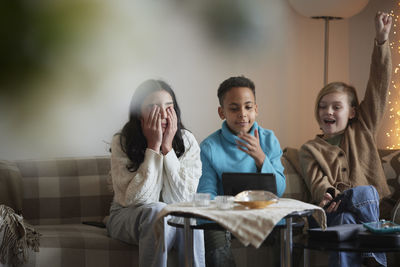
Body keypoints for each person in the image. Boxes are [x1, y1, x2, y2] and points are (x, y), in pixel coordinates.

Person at [299, 12, 393, 267]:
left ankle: (369, 255)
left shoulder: (362, 128)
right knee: (351, 206)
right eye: (322, 106)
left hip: (365, 210)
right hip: (333, 210)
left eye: (336, 107)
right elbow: (317, 181)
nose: (328, 111)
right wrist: (328, 195)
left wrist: (382, 42)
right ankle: (374, 256)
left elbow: (378, 86)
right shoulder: (310, 149)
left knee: (358, 209)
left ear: (352, 112)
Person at [106, 79, 205, 267]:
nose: (163, 114)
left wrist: (167, 149)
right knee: (159, 211)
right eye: (153, 107)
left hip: (169, 214)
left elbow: (183, 199)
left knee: (188, 214)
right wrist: (153, 147)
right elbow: (136, 200)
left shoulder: (188, 141)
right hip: (126, 214)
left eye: (169, 107)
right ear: (138, 113)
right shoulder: (122, 141)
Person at [196, 76, 286, 267]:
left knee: (289, 229)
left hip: (264, 218)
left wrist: (261, 158)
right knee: (210, 229)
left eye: (248, 107)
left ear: (256, 109)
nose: (242, 114)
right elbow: (207, 193)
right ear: (222, 112)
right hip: (226, 220)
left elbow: (279, 190)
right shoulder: (210, 147)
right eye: (234, 108)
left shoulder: (269, 140)